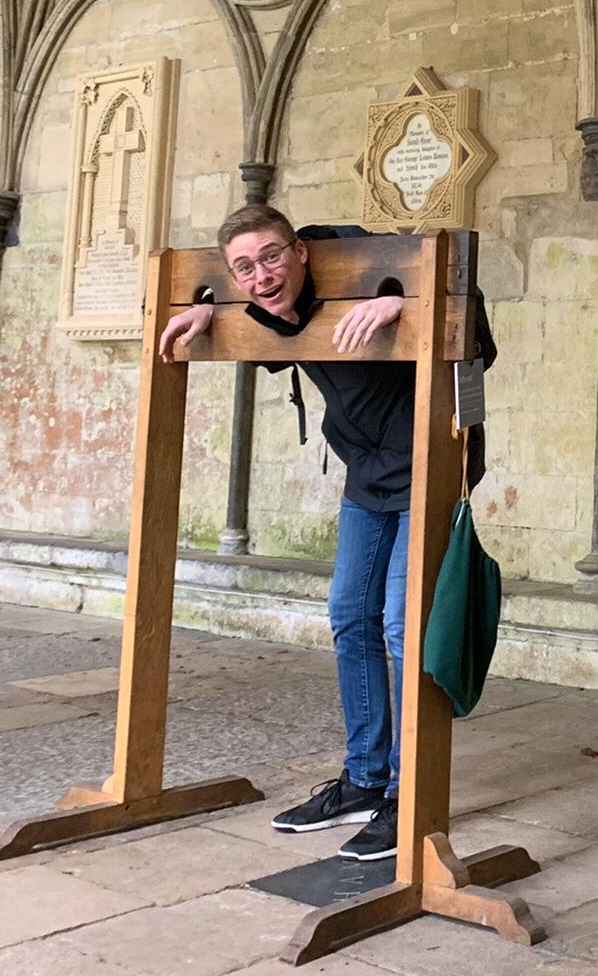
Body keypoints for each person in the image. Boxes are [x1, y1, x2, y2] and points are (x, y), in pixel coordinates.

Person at [156, 203, 495, 863]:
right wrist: (208, 311)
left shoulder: (352, 253)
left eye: (272, 257)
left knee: (401, 623)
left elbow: (461, 304)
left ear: (301, 251)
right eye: (243, 268)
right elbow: (258, 319)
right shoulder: (263, 298)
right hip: (367, 471)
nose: (262, 276)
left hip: (430, 457)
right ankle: (364, 779)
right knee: (348, 613)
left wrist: (404, 307)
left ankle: (408, 794)